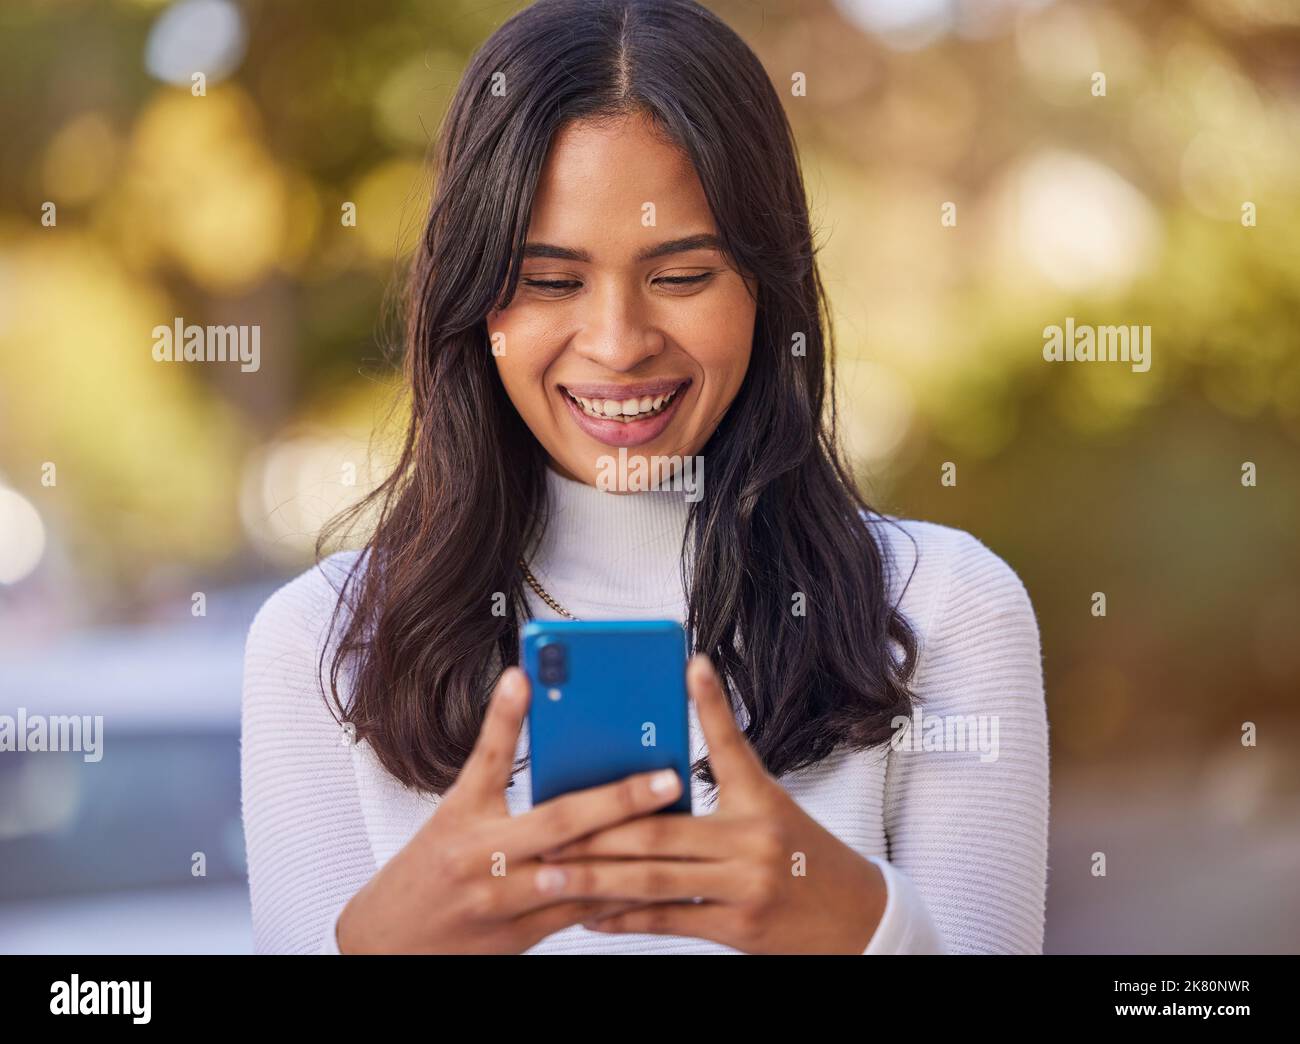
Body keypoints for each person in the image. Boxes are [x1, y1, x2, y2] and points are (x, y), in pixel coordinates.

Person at [240, 0, 1048, 955]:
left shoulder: (945, 609)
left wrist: (862, 929)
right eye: (550, 282)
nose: (618, 345)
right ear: (473, 302)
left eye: (682, 275)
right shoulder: (323, 645)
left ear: (766, 288)